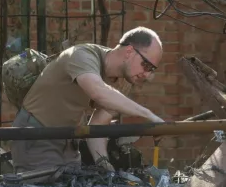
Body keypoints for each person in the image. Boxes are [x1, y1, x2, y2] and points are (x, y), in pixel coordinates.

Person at [11, 27, 164, 172]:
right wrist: (149, 115)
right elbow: (98, 91)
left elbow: (98, 125)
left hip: (68, 141)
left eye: (151, 69)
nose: (146, 74)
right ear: (129, 51)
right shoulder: (82, 55)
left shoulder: (122, 81)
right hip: (37, 134)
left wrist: (102, 161)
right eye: (146, 65)